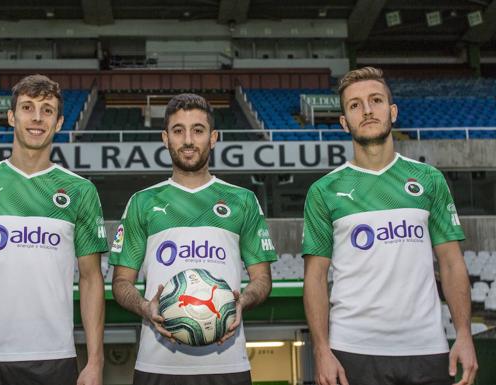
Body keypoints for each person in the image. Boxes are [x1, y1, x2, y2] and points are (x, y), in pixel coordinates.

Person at [302, 66, 478, 385]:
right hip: (351, 349)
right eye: (355, 105)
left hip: (427, 347)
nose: (367, 110)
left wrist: (464, 335)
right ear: (344, 122)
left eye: (376, 100)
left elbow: (452, 263)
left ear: (392, 111)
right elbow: (315, 277)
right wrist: (321, 349)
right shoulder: (323, 191)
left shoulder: (429, 180)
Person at [0, 74, 108, 385]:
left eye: (47, 110)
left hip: (53, 355)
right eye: (28, 108)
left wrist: (95, 361)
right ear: (12, 117)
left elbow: (91, 277)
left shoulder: (80, 191)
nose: (37, 118)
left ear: (58, 123)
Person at [109, 93, 277, 385]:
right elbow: (121, 282)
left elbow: (262, 279)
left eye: (197, 130)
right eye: (178, 131)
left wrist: (242, 302)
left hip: (228, 363)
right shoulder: (142, 202)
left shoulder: (243, 201)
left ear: (213, 138)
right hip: (157, 365)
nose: (188, 140)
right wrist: (145, 308)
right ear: (165, 138)